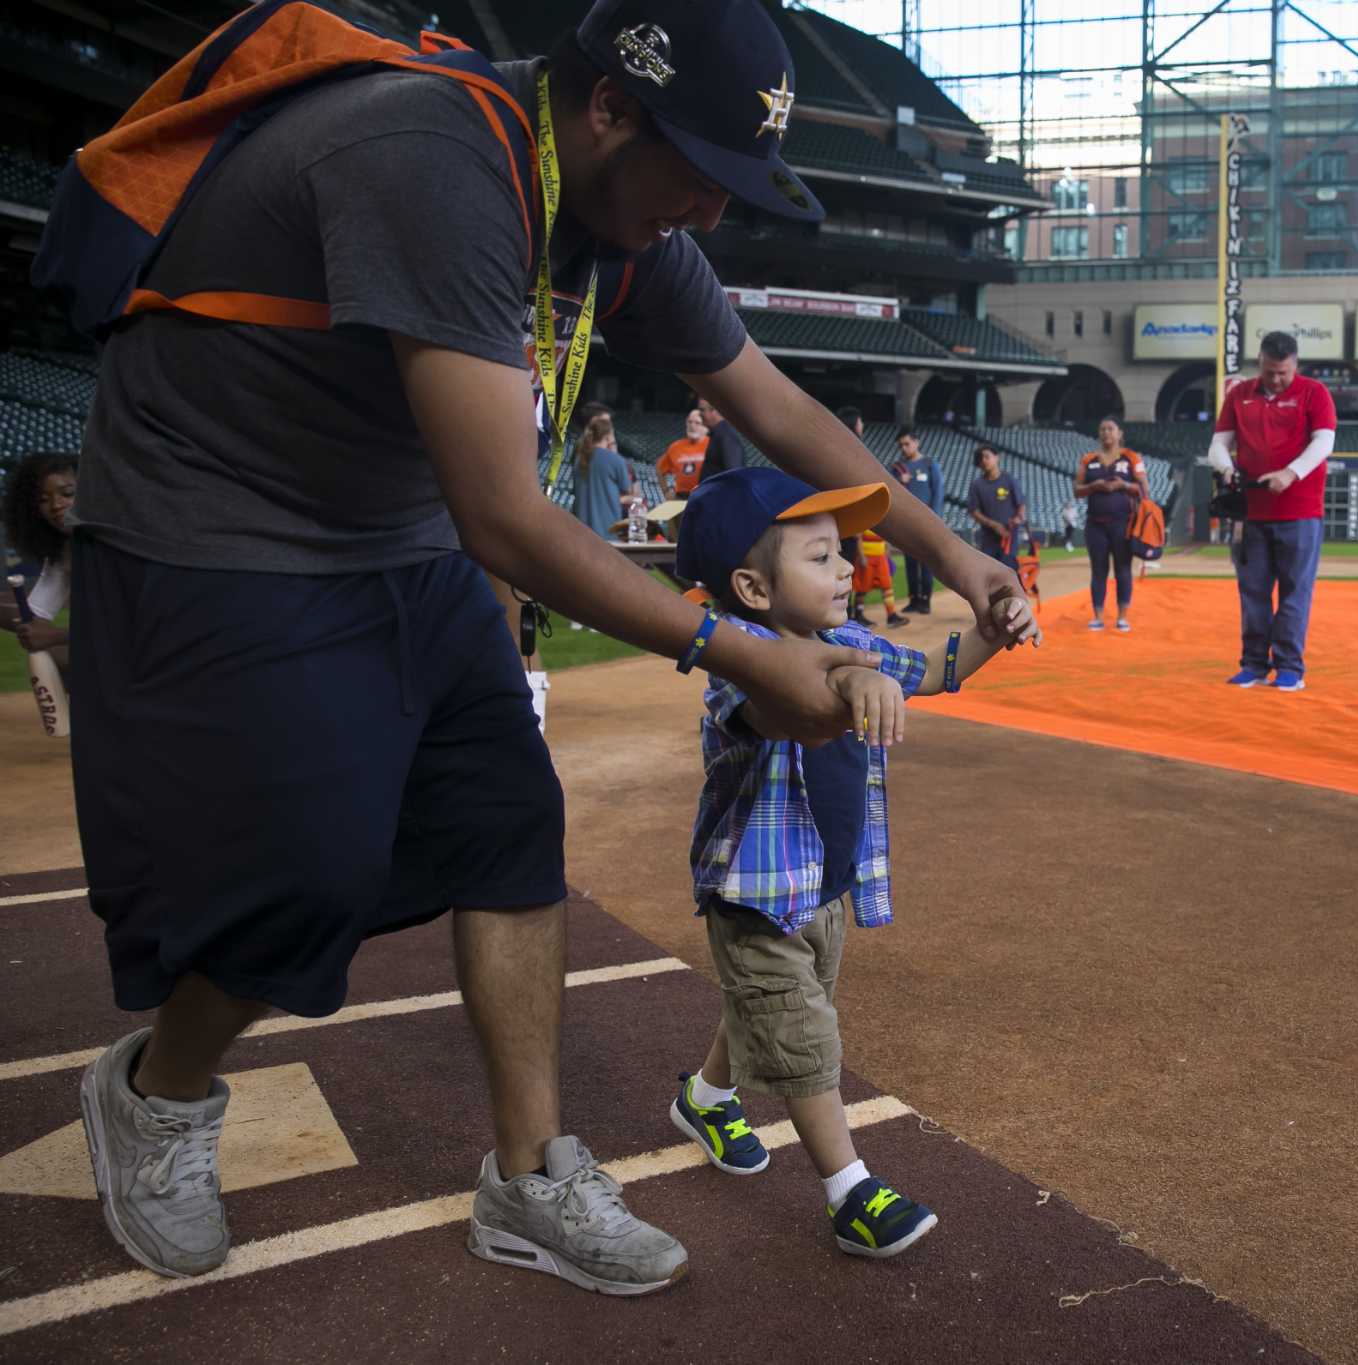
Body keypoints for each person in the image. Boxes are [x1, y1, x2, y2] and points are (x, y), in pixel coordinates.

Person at [55, 0, 1027, 1295]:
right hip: (220, 521)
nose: (716, 215)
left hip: (392, 530)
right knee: (310, 873)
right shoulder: (440, 152)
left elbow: (774, 401)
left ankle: (528, 1172)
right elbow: (505, 517)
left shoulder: (617, 207)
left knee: (512, 826)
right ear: (612, 109)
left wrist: (953, 549)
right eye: (706, 176)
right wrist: (739, 650)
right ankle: (154, 1095)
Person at [665, 467, 1039, 1259]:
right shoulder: (741, 660)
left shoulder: (851, 639)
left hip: (826, 885)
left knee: (770, 1007)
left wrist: (993, 629)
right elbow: (785, 708)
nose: (848, 569)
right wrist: (852, 681)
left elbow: (937, 670)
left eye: (845, 554)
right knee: (802, 1037)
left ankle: (705, 1097)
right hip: (756, 896)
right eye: (822, 556)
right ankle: (849, 1190)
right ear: (751, 586)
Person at [1205, 330, 1337, 691]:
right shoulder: (1239, 394)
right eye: (1269, 372)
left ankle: (1290, 667)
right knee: (1253, 592)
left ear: (1295, 365)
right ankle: (1253, 664)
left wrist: (1291, 473)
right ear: (1259, 363)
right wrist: (1226, 468)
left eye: (1283, 373)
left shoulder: (1314, 392)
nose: (1276, 380)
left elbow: (1325, 440)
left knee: (1295, 593)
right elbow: (1219, 443)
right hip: (1252, 513)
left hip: (1300, 511)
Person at [2, 452, 77, 674]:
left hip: (158, 656)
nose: (55, 505)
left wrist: (56, 635)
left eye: (67, 493)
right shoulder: (65, 551)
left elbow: (131, 626)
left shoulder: (116, 545)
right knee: (54, 657)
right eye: (43, 500)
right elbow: (36, 615)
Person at [1076, 416, 1147, 632]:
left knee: (1123, 570)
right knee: (1098, 570)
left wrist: (1123, 484)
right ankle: (1097, 617)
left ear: (1119, 433)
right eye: (1103, 429)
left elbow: (1144, 489)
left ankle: (1122, 617)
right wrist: (1093, 486)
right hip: (1095, 525)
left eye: (1110, 429)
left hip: (1123, 523)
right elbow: (1077, 490)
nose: (1106, 432)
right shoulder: (1088, 459)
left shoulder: (1132, 458)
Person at [890, 431, 944, 614]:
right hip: (907, 523)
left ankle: (926, 601)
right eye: (901, 445)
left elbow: (937, 492)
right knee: (910, 562)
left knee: (927, 562)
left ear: (916, 442)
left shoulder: (929, 464)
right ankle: (913, 600)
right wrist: (899, 480)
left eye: (907, 443)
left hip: (927, 522)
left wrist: (934, 519)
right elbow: (888, 488)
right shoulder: (898, 468)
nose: (904, 448)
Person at [570, 410, 637, 539]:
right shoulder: (616, 460)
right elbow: (628, 492)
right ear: (608, 436)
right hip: (608, 533)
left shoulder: (579, 460)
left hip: (581, 534)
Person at [833, 406, 869, 622]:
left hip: (835, 524)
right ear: (855, 425)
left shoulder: (833, 450)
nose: (862, 426)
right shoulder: (853, 453)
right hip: (846, 524)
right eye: (861, 422)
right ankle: (846, 616)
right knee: (845, 571)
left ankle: (846, 614)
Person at [967, 445, 1026, 573]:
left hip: (1009, 535)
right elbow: (974, 511)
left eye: (987, 456)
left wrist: (1017, 518)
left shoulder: (1009, 480)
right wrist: (993, 525)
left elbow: (1021, 505)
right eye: (980, 458)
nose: (984, 460)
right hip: (988, 537)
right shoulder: (977, 485)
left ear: (996, 458)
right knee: (989, 571)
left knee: (1009, 570)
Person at [853, 526, 908, 628]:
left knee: (887, 586)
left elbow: (885, 540)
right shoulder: (864, 520)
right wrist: (862, 556)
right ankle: (858, 615)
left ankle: (891, 616)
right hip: (867, 557)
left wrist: (887, 554)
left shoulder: (880, 520)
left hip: (881, 558)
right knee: (862, 588)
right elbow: (858, 538)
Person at [656, 407, 710, 498]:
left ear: (706, 427)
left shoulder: (713, 445)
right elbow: (659, 468)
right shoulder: (675, 447)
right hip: (681, 497)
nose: (692, 426)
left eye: (697, 423)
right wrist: (666, 491)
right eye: (689, 422)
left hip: (705, 495)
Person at [699, 396, 746, 481]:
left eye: (702, 410)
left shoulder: (726, 435)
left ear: (715, 410)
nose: (700, 414)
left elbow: (734, 474)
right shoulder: (718, 434)